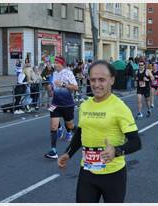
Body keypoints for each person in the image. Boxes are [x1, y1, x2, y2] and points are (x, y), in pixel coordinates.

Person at [57, 60, 141, 203]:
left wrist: (116, 151)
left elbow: (136, 142)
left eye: (102, 80)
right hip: (87, 172)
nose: (96, 84)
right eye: (93, 80)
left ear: (112, 80)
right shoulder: (85, 105)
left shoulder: (120, 107)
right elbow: (81, 133)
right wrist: (68, 153)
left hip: (113, 175)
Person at [44, 56, 78, 159]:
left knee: (70, 125)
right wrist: (49, 89)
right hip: (55, 104)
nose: (54, 64)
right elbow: (51, 91)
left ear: (61, 64)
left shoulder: (68, 73)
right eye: (54, 63)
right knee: (53, 126)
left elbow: (75, 87)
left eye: (56, 63)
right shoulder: (53, 74)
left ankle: (80, 134)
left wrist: (63, 84)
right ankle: (53, 151)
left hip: (67, 104)